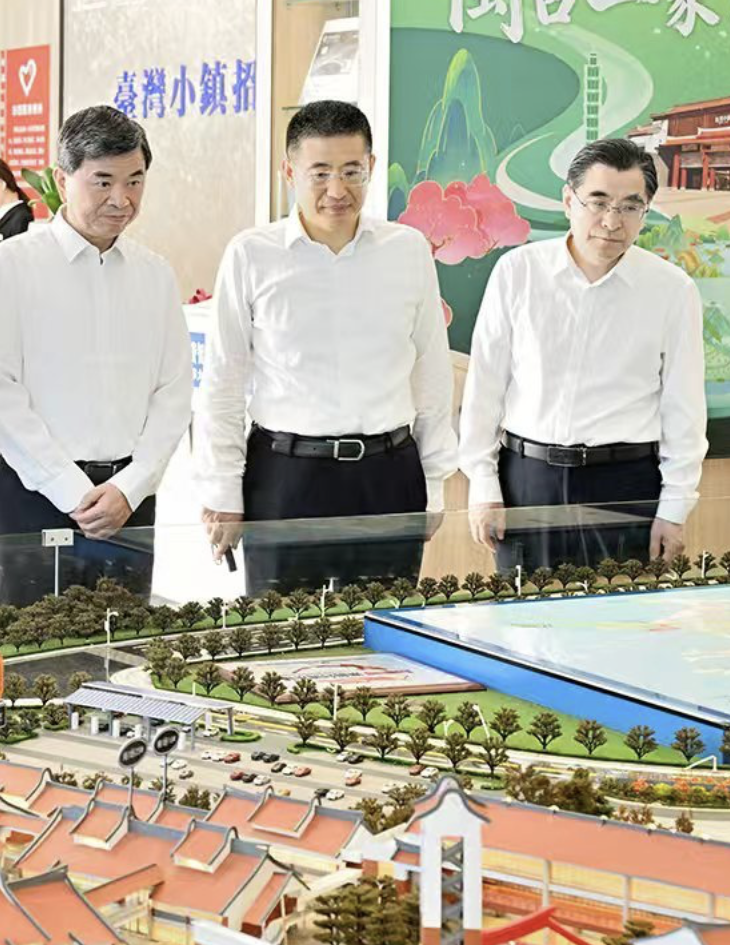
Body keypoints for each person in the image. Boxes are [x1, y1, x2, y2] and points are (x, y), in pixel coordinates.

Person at [195, 100, 456, 596]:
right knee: (282, 631)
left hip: (389, 475)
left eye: (352, 171)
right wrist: (223, 491)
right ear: (289, 172)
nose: (337, 190)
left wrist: (435, 481)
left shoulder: (407, 250)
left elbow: (431, 371)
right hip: (285, 476)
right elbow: (223, 381)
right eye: (320, 173)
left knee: (384, 628)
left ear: (371, 167)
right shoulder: (252, 254)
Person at [0, 105, 192, 608]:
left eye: (135, 181)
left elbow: (174, 393)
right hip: (30, 495)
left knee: (122, 645)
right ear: (61, 179)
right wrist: (71, 490)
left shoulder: (155, 275)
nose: (122, 199)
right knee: (27, 648)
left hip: (128, 501)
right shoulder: (10, 266)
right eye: (103, 182)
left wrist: (131, 487)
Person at [461, 137, 707, 571]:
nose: (611, 221)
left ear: (646, 210)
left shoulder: (671, 290)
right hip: (527, 480)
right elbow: (485, 387)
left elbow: (683, 408)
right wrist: (483, 484)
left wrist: (674, 507)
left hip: (625, 484)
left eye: (630, 206)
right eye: (598, 202)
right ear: (568, 201)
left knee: (624, 612)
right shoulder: (519, 272)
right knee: (523, 612)